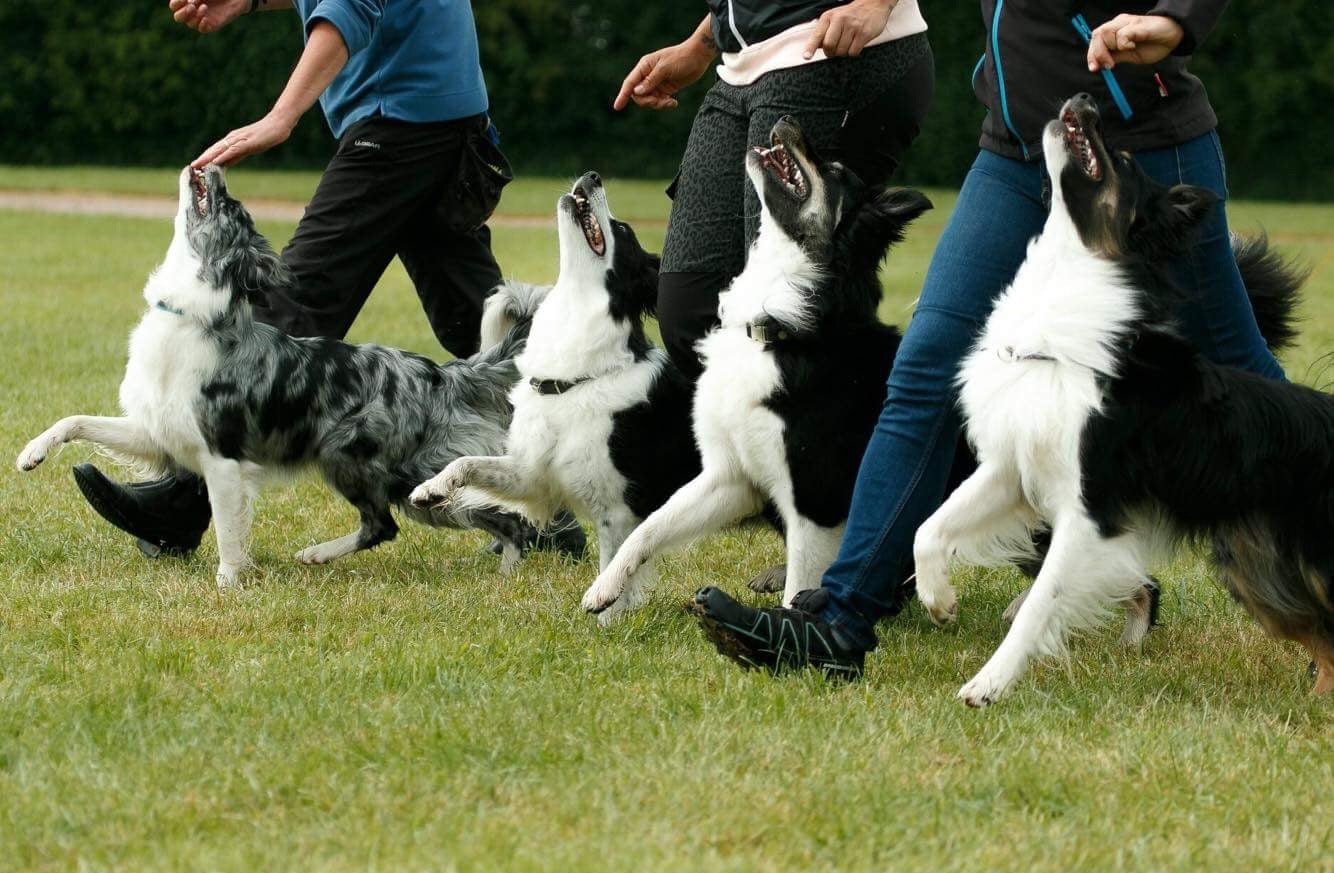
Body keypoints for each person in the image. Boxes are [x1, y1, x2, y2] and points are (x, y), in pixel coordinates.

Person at [691, 2, 1288, 675]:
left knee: (1244, 371)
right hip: (1013, 151)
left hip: (1137, 157)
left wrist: (1178, 19)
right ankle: (837, 620)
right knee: (923, 370)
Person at [73, 0, 583, 559]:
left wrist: (280, 115)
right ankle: (551, 511)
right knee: (475, 317)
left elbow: (351, 5)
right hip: (439, 113)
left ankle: (181, 500)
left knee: (294, 303)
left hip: (400, 119)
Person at [614, 0, 935, 376]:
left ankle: (852, 433)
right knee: (692, 316)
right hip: (739, 73)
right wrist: (704, 41)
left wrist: (877, 4)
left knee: (783, 320)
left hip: (834, 56)